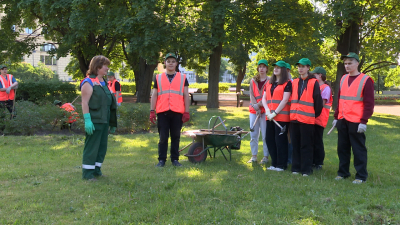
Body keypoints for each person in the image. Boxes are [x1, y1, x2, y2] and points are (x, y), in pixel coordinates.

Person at [333, 52, 374, 184]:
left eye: (350, 63)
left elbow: (369, 103)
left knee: (358, 149)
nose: (347, 65)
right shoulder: (343, 78)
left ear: (357, 63)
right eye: (345, 63)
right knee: (342, 148)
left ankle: (361, 176)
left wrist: (364, 121)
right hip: (342, 119)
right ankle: (343, 173)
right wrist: (336, 116)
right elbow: (340, 99)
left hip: (356, 121)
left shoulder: (366, 80)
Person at [80, 55, 117, 180]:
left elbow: (108, 103)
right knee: (92, 147)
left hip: (104, 120)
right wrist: (87, 120)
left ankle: (96, 170)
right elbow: (84, 103)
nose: (107, 68)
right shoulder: (88, 82)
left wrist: (112, 122)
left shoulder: (104, 82)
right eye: (105, 65)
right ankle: (87, 173)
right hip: (94, 120)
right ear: (98, 66)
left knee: (102, 147)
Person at [150, 53, 190, 167]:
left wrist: (186, 111)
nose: (171, 63)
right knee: (163, 137)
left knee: (175, 136)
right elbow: (154, 95)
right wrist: (152, 111)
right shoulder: (158, 77)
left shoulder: (183, 77)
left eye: (173, 61)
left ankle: (175, 159)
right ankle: (161, 160)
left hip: (177, 112)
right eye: (168, 61)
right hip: (163, 112)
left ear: (176, 64)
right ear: (165, 63)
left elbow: (186, 95)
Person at [290, 58, 323, 176]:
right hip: (294, 118)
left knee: (306, 145)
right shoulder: (294, 82)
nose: (300, 68)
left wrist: (312, 115)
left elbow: (318, 102)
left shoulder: (314, 82)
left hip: (307, 120)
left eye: (303, 66)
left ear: (308, 68)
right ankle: (295, 168)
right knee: (296, 144)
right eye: (299, 66)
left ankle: (306, 169)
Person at [262, 60, 291, 171]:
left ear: (283, 70)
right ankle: (274, 163)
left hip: (281, 118)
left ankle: (281, 165)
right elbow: (264, 98)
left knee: (280, 141)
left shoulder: (287, 83)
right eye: (275, 67)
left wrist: (275, 113)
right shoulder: (269, 83)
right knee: (270, 139)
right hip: (269, 117)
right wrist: (268, 110)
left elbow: (285, 100)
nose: (275, 69)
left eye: (278, 68)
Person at [247, 59, 269, 164]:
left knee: (265, 135)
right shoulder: (253, 80)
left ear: (267, 68)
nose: (261, 68)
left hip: (265, 110)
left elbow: (269, 96)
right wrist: (256, 107)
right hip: (254, 111)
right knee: (253, 134)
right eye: (260, 66)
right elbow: (252, 95)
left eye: (264, 66)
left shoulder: (270, 81)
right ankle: (254, 156)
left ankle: (265, 156)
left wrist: (260, 105)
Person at [311, 67, 332, 170]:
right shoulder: (315, 86)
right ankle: (313, 161)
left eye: (314, 75)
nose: (312, 77)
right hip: (311, 118)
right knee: (312, 140)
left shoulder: (325, 88)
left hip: (320, 119)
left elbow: (322, 103)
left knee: (317, 140)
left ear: (320, 75)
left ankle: (318, 162)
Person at [285, 62, 293, 165]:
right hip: (280, 115)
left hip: (290, 114)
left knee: (290, 138)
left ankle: (289, 159)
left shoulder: (292, 83)